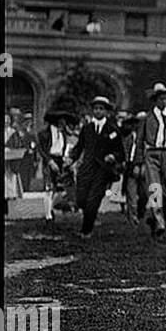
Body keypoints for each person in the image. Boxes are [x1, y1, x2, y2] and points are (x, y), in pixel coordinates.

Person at [69, 96, 124, 238]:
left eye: (101, 109)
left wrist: (113, 156)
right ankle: (87, 220)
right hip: (86, 169)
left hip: (102, 170)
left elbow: (120, 151)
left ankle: (86, 230)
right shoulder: (87, 128)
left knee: (93, 199)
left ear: (106, 111)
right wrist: (71, 158)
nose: (98, 111)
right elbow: (79, 146)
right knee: (81, 198)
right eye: (95, 108)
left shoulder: (112, 129)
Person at [138, 83, 166, 238]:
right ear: (155, 100)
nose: (164, 102)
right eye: (161, 98)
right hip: (152, 154)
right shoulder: (147, 118)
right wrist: (138, 162)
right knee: (155, 188)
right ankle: (159, 221)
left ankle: (157, 220)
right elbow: (140, 140)